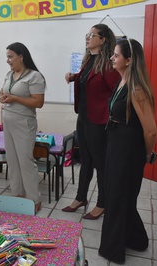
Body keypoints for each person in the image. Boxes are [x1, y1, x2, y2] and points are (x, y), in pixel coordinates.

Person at [99, 38, 157, 264]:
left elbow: (151, 131)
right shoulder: (121, 81)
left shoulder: (137, 89)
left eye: (116, 55)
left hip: (129, 151)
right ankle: (136, 238)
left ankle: (114, 249)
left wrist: (144, 155)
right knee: (117, 195)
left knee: (119, 197)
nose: (112, 58)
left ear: (129, 60)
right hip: (116, 144)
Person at [62, 24, 120, 219]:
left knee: (100, 163)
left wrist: (112, 116)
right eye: (87, 34)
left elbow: (117, 90)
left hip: (99, 120)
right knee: (85, 160)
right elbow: (88, 79)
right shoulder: (89, 60)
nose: (87, 37)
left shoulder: (109, 64)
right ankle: (81, 198)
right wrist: (74, 77)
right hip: (84, 117)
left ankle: (102, 203)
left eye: (92, 35)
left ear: (103, 40)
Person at [0, 42, 46, 214]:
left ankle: (34, 199)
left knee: (26, 161)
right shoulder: (9, 75)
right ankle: (17, 194)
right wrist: (1, 96)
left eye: (11, 56)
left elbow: (38, 102)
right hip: (8, 122)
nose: (8, 60)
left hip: (24, 123)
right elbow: (2, 92)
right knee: (12, 160)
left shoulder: (34, 76)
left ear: (21, 56)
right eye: (7, 57)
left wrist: (15, 99)